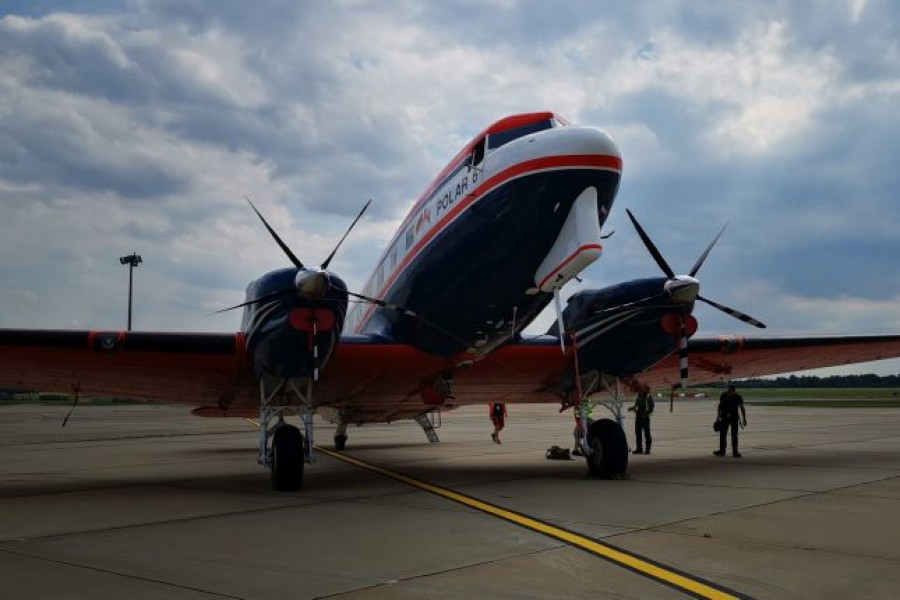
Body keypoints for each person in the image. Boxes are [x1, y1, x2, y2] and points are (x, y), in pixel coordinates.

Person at [714, 384, 747, 457]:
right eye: (728, 391)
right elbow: (720, 406)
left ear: (734, 391)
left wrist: (744, 419)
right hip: (724, 417)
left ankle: (735, 452)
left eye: (731, 391)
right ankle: (722, 451)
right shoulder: (723, 395)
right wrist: (718, 417)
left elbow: (742, 408)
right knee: (722, 434)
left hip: (734, 417)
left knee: (734, 435)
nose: (729, 392)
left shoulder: (738, 397)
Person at [627, 382, 654, 454]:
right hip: (638, 416)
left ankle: (647, 449)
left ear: (646, 390)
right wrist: (632, 408)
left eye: (642, 388)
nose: (640, 389)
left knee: (647, 433)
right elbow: (636, 405)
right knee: (638, 433)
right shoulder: (639, 396)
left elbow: (651, 408)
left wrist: (646, 414)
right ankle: (639, 449)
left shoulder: (648, 397)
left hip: (645, 417)